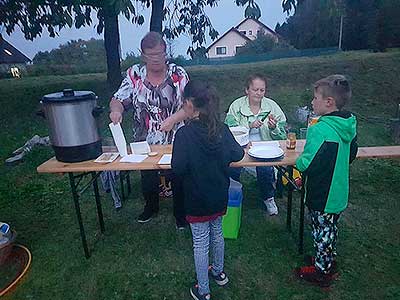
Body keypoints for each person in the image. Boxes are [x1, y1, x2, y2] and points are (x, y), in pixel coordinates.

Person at [171, 81, 244, 300]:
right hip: (218, 196)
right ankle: (219, 272)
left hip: (196, 199)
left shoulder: (184, 135)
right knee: (217, 232)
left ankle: (203, 290)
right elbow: (237, 154)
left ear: (188, 104)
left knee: (201, 242)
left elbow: (177, 168)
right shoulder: (221, 129)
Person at [109, 32, 189, 226]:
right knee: (147, 175)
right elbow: (117, 99)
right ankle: (150, 207)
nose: (156, 59)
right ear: (143, 55)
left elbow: (190, 105)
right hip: (143, 139)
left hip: (175, 136)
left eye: (160, 54)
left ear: (165, 52)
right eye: (151, 55)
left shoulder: (178, 74)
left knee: (179, 174)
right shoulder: (134, 74)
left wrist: (172, 119)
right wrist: (116, 111)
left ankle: (181, 214)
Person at [294, 74, 358, 287]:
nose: (312, 102)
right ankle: (326, 259)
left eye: (315, 98)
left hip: (323, 193)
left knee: (322, 230)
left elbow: (309, 163)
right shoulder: (347, 124)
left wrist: (298, 163)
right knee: (330, 228)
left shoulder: (320, 128)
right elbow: (352, 153)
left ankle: (322, 272)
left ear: (328, 102)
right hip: (339, 189)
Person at [225, 74, 287, 215]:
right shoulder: (236, 105)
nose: (259, 93)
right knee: (232, 167)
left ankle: (268, 198)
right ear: (247, 90)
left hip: (265, 149)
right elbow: (229, 130)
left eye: (262, 90)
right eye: (255, 90)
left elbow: (283, 136)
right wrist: (249, 126)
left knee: (265, 168)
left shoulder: (272, 106)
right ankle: (231, 196)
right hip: (241, 148)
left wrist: (274, 128)